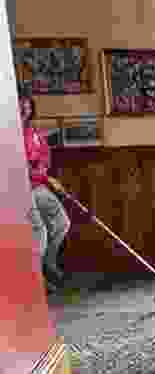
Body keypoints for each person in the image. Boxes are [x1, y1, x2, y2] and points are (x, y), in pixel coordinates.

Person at [20, 91, 71, 294]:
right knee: (39, 230)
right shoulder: (7, 133)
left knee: (61, 222)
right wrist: (42, 175)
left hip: (38, 185)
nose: (25, 111)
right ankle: (36, 277)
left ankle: (48, 263)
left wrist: (42, 171)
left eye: (28, 108)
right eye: (21, 108)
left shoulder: (34, 133)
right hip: (19, 189)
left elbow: (44, 156)